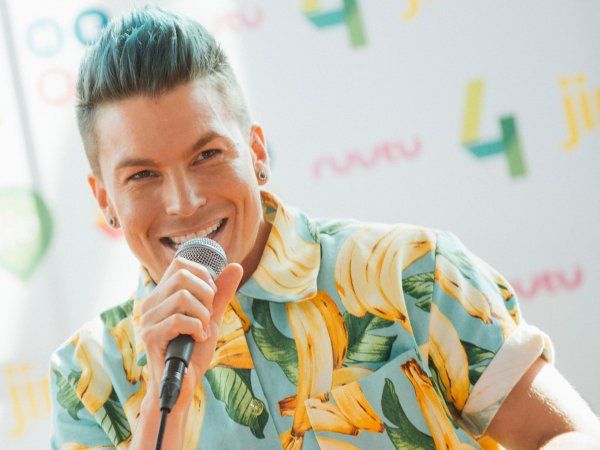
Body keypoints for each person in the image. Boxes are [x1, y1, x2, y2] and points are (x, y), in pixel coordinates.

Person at [49, 7, 600, 450]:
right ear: (105, 200)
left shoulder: (411, 271)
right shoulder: (87, 378)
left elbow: (564, 435)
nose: (185, 201)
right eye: (142, 175)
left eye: (207, 155)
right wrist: (162, 406)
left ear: (257, 152)